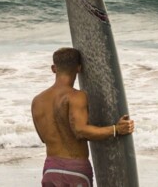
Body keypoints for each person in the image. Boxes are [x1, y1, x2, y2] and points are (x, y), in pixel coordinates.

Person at [32, 48, 134, 187]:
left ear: (53, 68)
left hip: (51, 169)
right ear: (79, 68)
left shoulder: (37, 101)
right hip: (75, 170)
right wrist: (116, 129)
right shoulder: (76, 96)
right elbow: (80, 131)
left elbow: (43, 138)